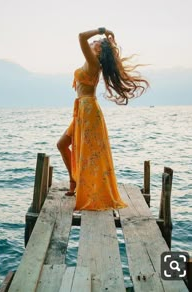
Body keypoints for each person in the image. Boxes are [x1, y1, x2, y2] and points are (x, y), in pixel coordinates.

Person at [57, 28, 149, 211]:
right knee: (61, 144)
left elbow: (81, 36)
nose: (92, 42)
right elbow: (93, 43)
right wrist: (109, 39)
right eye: (94, 41)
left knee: (90, 153)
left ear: (98, 51)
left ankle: (80, 185)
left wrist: (102, 30)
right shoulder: (90, 61)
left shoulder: (93, 62)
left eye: (96, 43)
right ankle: (73, 181)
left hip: (89, 111)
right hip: (82, 111)